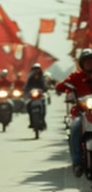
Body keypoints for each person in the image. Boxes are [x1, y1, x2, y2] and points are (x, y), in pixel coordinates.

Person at [55, 49, 92, 177]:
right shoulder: (76, 77)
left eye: (91, 62)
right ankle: (77, 163)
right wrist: (67, 87)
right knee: (75, 129)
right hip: (81, 113)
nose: (89, 64)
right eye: (87, 62)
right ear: (82, 64)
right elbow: (60, 87)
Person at [23, 63, 48, 129]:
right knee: (28, 106)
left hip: (40, 96)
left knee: (43, 106)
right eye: (35, 69)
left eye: (37, 69)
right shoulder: (30, 78)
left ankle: (42, 120)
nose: (36, 71)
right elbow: (26, 86)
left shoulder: (42, 78)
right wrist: (26, 90)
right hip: (32, 97)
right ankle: (32, 122)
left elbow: (45, 86)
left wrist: (44, 89)